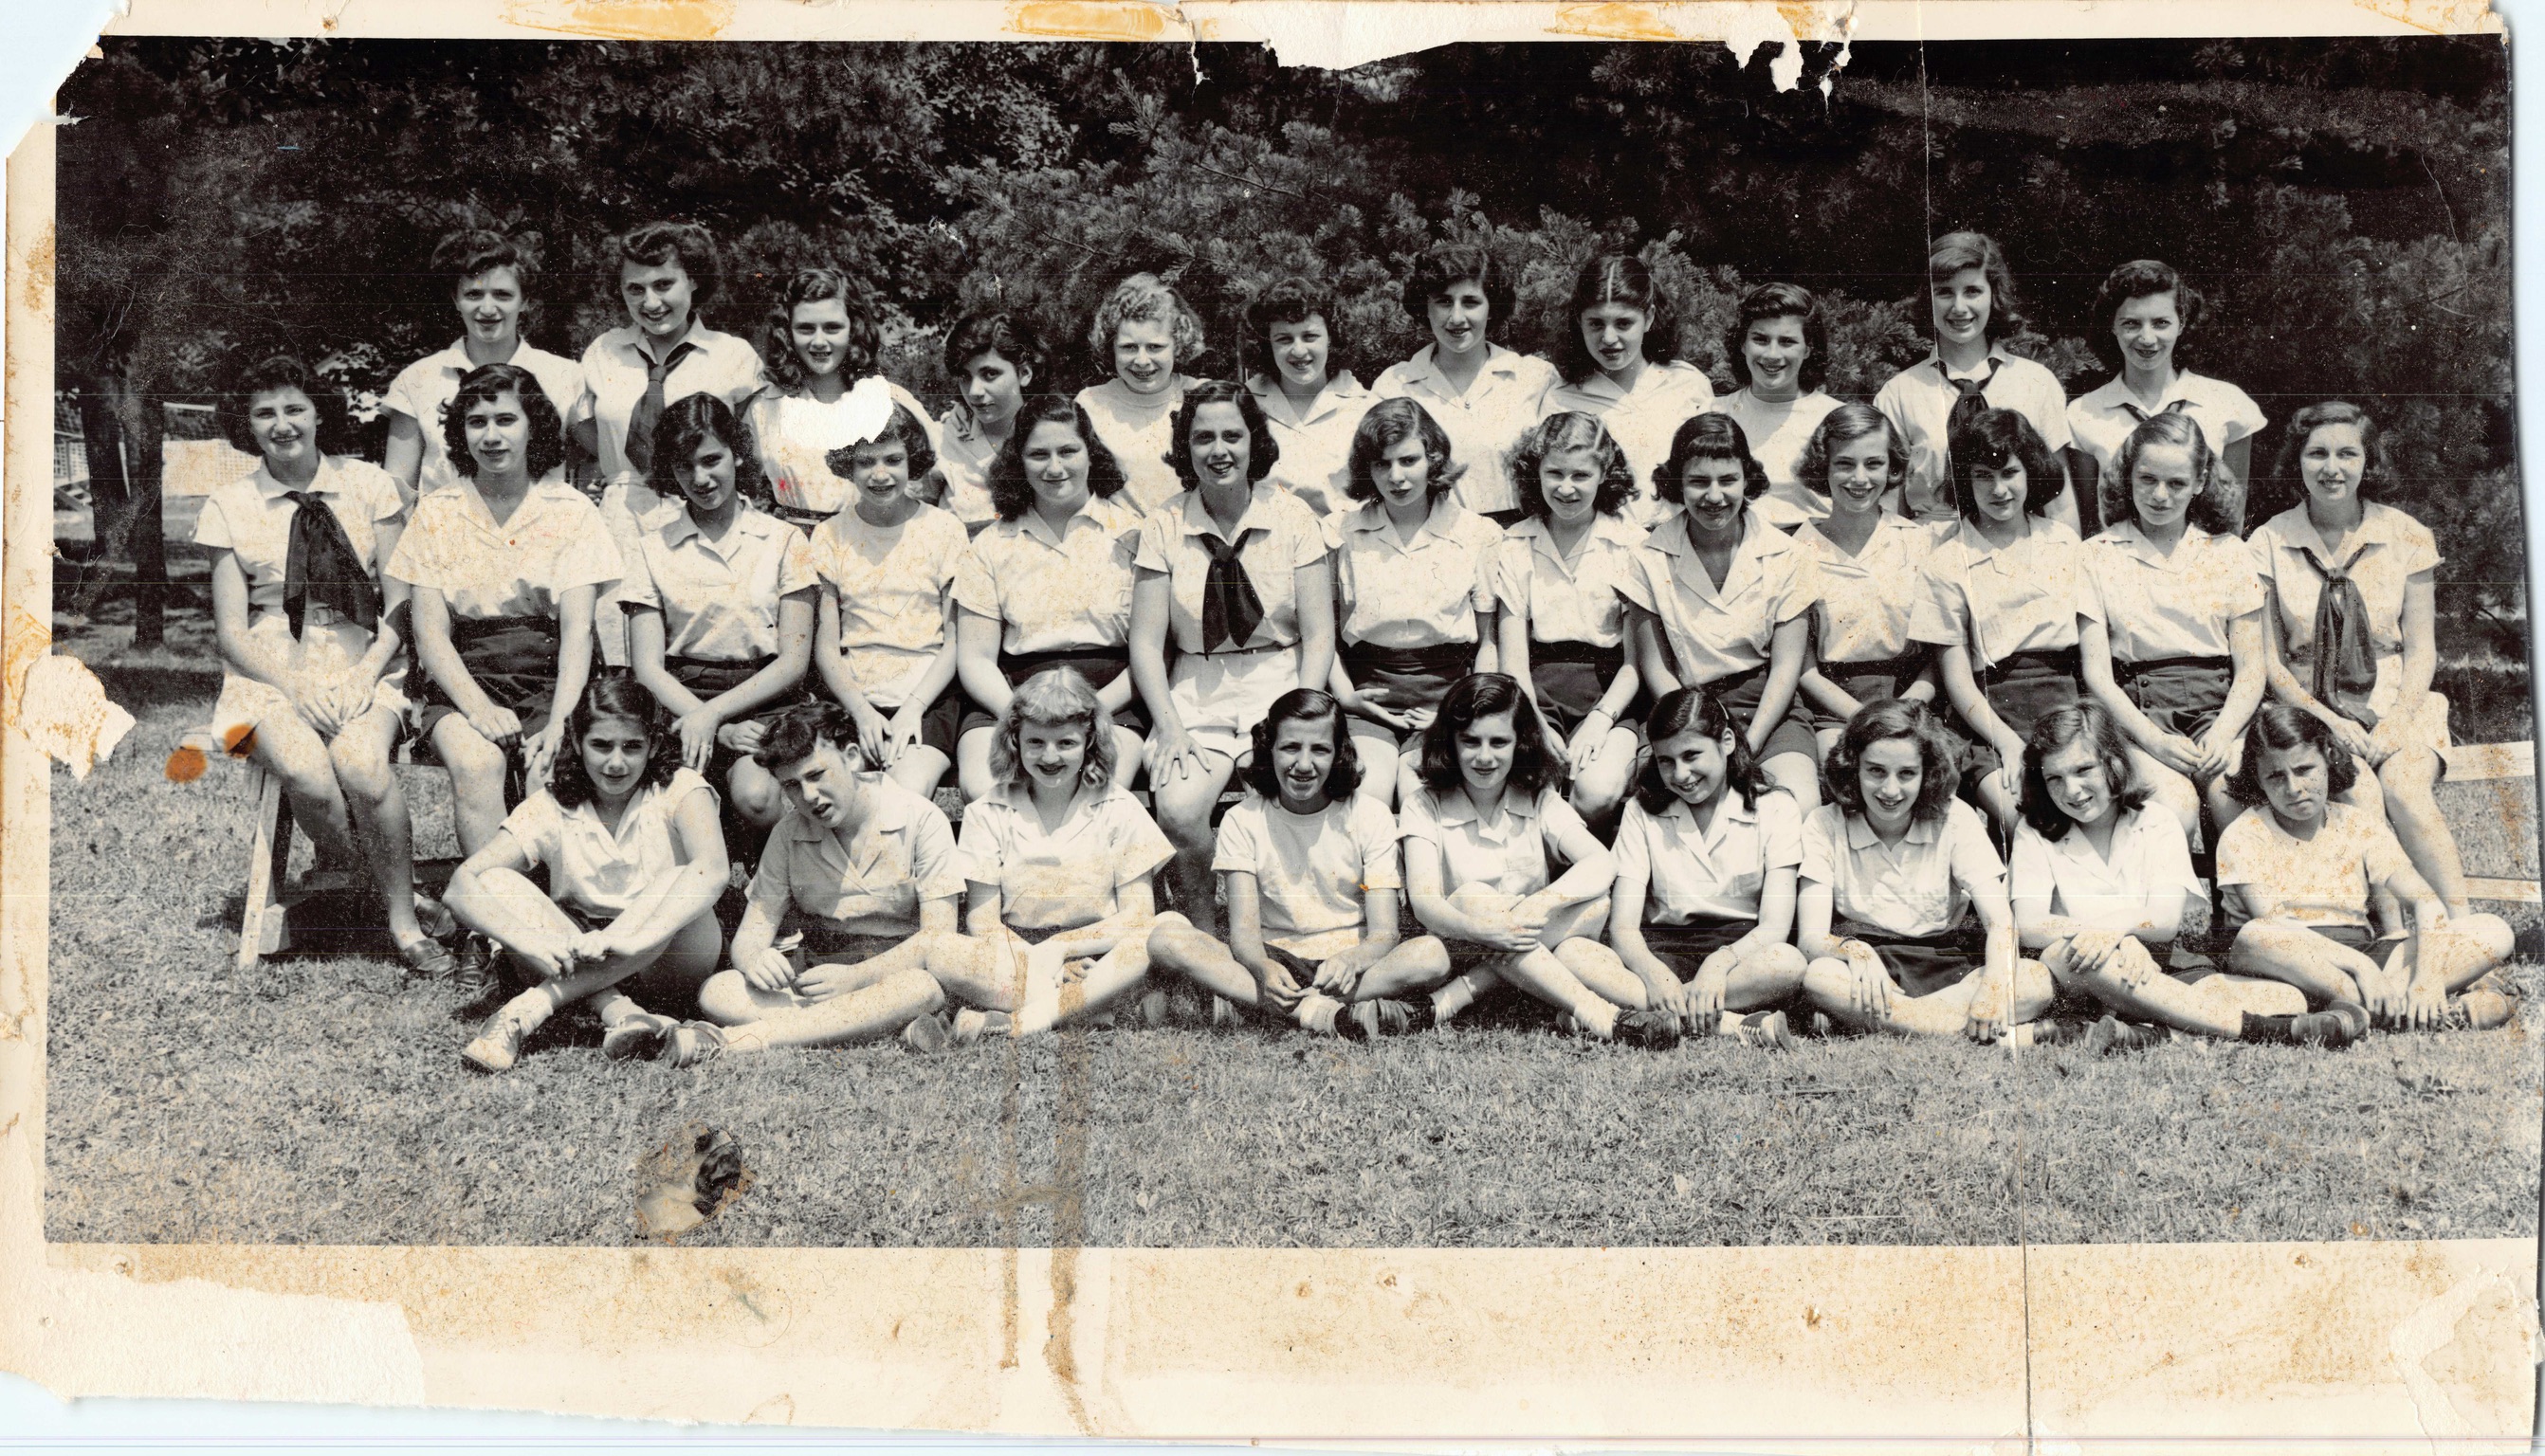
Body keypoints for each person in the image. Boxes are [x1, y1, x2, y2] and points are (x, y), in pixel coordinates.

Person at [200, 354, 443, 973]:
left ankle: (402, 923)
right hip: (267, 677)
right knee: (307, 774)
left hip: (366, 665)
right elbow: (231, 633)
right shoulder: (228, 503)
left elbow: (401, 604)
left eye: (294, 408)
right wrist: (295, 686)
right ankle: (402, 899)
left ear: (318, 414)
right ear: (247, 424)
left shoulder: (370, 486)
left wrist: (365, 675)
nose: (282, 424)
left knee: (362, 766)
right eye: (264, 413)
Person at [2009, 704, 2355, 1050]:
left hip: (2157, 964)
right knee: (2083, 957)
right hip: (2081, 967)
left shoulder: (2156, 820)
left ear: (2113, 762)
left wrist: (2115, 929)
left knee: (2287, 997)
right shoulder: (2035, 831)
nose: (2072, 790)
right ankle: (2263, 1030)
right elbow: (2029, 923)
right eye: (2055, 778)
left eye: (2084, 770)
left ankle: (2138, 1033)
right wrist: (2114, 940)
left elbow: (2164, 920)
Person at [2249, 402, 2474, 918]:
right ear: (2297, 460)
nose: (2332, 468)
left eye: (2348, 454)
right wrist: (2330, 722)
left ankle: (2462, 927)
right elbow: (2272, 663)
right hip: (2312, 710)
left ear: (2368, 460)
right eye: (2317, 454)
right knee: (2360, 791)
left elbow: (2422, 649)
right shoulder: (2268, 542)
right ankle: (2394, 933)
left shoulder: (2407, 534)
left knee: (2404, 789)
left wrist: (2396, 722)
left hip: (2398, 701)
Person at [442, 671, 729, 1072]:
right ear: (577, 743)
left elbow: (713, 872)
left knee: (679, 881)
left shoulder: (681, 788)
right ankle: (621, 1012)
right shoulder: (554, 803)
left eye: (632, 746)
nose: (616, 762)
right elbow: (460, 887)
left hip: (668, 958)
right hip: (577, 949)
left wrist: (628, 940)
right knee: (494, 879)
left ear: (654, 745)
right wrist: (528, 941)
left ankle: (527, 1010)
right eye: (601, 745)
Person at [389, 363, 620, 864]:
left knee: (549, 769)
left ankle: (551, 899)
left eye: (506, 420)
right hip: (464, 683)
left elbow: (578, 632)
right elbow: (430, 635)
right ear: (460, 432)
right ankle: (490, 900)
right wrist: (479, 710)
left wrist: (560, 722)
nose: (491, 436)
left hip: (551, 680)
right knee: (477, 764)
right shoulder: (438, 512)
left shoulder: (571, 510)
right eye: (477, 422)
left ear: (534, 426)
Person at [1128, 380, 1336, 922]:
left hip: (1280, 679)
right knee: (1179, 811)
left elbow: (1319, 633)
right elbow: (1146, 643)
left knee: (1286, 795)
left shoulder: (1293, 517)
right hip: (1196, 689)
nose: (1218, 451)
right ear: (1185, 445)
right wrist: (1170, 727)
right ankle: (1202, 926)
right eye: (1203, 438)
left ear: (1254, 441)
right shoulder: (1165, 524)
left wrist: (1303, 714)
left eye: (1232, 436)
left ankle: (1288, 925)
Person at [689, 702, 985, 1057]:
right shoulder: (787, 834)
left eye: (817, 775)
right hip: (820, 974)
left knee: (920, 988)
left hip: (897, 969)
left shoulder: (920, 818)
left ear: (852, 757)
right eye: (792, 786)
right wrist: (754, 959)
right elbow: (751, 936)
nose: (809, 796)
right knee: (718, 991)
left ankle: (749, 1039)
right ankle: (866, 1023)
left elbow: (938, 937)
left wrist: (856, 979)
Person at [1144, 690, 1441, 1037]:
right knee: (1166, 939)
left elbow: (1384, 932)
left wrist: (1353, 960)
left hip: (1349, 966)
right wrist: (1262, 967)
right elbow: (1244, 934)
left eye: (1320, 750)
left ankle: (1258, 1005)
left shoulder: (1370, 814)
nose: (1303, 764)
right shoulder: (1243, 819)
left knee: (1432, 955)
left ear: (1339, 752)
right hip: (1277, 957)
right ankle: (1324, 1012)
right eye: (1290, 747)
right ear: (1269, 748)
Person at [1395, 674, 1662, 1042]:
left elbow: (1601, 862)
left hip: (1528, 942)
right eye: (1470, 741)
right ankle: (1600, 1014)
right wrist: (1482, 930)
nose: (1484, 757)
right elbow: (1426, 904)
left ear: (1519, 742)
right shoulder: (1424, 804)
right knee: (1475, 896)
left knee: (1596, 904)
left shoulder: (1537, 796)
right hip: (1462, 943)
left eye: (1499, 742)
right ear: (1450, 742)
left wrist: (1538, 905)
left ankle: (1451, 999)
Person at [2215, 706, 2513, 1032]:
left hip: (2361, 948)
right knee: (2257, 935)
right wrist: (2361, 967)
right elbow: (2273, 926)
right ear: (2257, 778)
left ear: (2328, 760)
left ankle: (2361, 1009)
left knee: (2492, 930)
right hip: (2292, 960)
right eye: (2275, 776)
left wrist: (2427, 980)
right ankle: (2397, 1009)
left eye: (2304, 769)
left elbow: (2425, 902)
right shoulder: (2245, 834)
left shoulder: (2357, 824)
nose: (2293, 787)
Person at [1796, 699, 2059, 1042]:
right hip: (1872, 970)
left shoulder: (1955, 817)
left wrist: (1992, 989)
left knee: (2036, 979)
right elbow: (1810, 939)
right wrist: (1853, 950)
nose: (1890, 790)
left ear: (1928, 773)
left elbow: (2000, 922)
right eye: (1876, 771)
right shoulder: (1824, 823)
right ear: (1853, 767)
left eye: (1907, 774)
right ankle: (1971, 1030)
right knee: (1820, 976)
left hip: (1949, 961)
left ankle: (1894, 1023)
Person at [621, 394, 818, 837]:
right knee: (669, 807)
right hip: (680, 702)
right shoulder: (651, 548)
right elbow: (647, 667)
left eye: (712, 460)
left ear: (738, 454)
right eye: (684, 466)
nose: (700, 478)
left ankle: (775, 872)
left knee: (757, 795)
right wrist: (711, 722)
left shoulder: (784, 539)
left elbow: (793, 661)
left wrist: (716, 718)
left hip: (766, 699)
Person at [569, 221, 765, 665]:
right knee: (620, 647)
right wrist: (618, 470)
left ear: (693, 280)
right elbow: (583, 425)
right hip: (622, 518)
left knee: (698, 642)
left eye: (663, 285)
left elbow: (750, 444)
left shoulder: (733, 355)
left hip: (704, 509)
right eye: (634, 289)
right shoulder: (604, 351)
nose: (650, 302)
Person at [940, 668, 1177, 1036]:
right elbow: (982, 923)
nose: (1050, 756)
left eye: (1066, 743)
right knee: (942, 951)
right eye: (1035, 742)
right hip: (1019, 956)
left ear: (1089, 741)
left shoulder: (1119, 807)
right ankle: (1090, 1006)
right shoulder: (986, 812)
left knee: (1170, 926)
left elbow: (1137, 915)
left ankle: (1027, 1017)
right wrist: (1043, 961)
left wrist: (1063, 948)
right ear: (1014, 740)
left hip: (1101, 951)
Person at [1910, 409, 2108, 830]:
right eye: (1983, 476)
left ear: (2030, 471)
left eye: (2010, 473)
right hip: (1989, 719)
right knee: (2030, 821)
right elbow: (1958, 681)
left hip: (2066, 706)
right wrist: (2010, 745)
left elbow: (2093, 658)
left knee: (2096, 815)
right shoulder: (1946, 562)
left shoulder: (2063, 542)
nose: (1999, 490)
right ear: (1965, 480)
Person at [1620, 413, 1822, 815]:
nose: (1714, 496)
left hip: (1767, 708)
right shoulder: (1647, 557)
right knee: (1672, 809)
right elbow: (1656, 669)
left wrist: (1747, 744)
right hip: (1682, 707)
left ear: (1747, 479)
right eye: (1698, 482)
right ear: (1677, 483)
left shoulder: (1789, 554)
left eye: (1728, 480)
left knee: (1798, 805)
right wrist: (1696, 731)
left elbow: (1786, 668)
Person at [950, 395, 1148, 801]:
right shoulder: (991, 544)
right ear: (1018, 462)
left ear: (1091, 454)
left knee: (1101, 791)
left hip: (1111, 695)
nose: (1054, 468)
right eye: (1038, 454)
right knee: (986, 788)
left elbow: (1153, 650)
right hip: (1011, 697)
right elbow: (975, 658)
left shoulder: (1133, 535)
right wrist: (1023, 718)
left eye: (1068, 451)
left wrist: (1094, 711)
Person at [2078, 411, 2267, 837]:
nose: (2160, 496)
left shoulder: (2229, 552)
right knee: (2174, 809)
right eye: (2147, 479)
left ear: (2200, 481)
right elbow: (2096, 674)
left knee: (2236, 802)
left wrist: (2223, 734)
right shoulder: (2097, 554)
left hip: (2220, 714)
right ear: (2128, 476)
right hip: (2137, 719)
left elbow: (2252, 668)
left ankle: (2239, 886)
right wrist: (2154, 740)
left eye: (2177, 483)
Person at [1603, 687, 1812, 1047]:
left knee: (1788, 963)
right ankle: (1730, 1024)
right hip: (1663, 950)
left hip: (1739, 955)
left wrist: (1719, 964)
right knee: (1575, 954)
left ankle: (1646, 1014)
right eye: (1666, 761)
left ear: (1727, 742)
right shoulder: (1641, 811)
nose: (1681, 774)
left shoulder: (1776, 807)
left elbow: (1775, 926)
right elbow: (1623, 926)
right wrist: (1653, 974)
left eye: (1691, 755)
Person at [1326, 397, 1503, 808]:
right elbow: (1322, 635)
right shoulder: (1340, 532)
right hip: (1367, 698)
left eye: (1408, 461)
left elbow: (1488, 642)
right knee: (1367, 792)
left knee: (1422, 793)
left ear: (1433, 459)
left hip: (1450, 699)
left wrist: (1464, 709)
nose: (1396, 477)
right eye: (1381, 464)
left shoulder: (1477, 534)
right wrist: (1347, 696)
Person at [808, 402, 970, 797]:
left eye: (893, 460)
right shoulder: (829, 535)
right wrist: (861, 712)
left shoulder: (944, 529)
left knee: (905, 791)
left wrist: (913, 708)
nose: (880, 474)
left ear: (912, 461)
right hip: (854, 699)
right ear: (848, 465)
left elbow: (956, 641)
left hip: (927, 698)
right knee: (835, 788)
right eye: (866, 462)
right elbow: (826, 648)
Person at [1492, 412, 1645, 825]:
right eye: (1554, 473)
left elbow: (1635, 663)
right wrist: (1535, 724)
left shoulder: (1631, 545)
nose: (1566, 487)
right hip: (1537, 694)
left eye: (1581, 474)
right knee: (1528, 786)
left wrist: (1600, 720)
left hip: (1612, 694)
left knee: (1595, 793)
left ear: (1604, 474)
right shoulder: (1515, 544)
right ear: (1536, 473)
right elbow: (1513, 661)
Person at [1873, 230, 2079, 531]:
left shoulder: (2037, 382)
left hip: (2021, 543)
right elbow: (1890, 509)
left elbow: (2060, 502)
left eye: (1972, 291)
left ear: (1994, 294)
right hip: (1931, 545)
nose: (1959, 307)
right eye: (1944, 292)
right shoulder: (1899, 393)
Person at [380, 229, 585, 507]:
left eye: (502, 295)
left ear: (524, 300)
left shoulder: (565, 375)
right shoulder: (418, 378)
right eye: (474, 294)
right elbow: (397, 490)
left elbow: (596, 460)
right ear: (456, 299)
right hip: (445, 530)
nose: (488, 309)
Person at [2066, 260, 2267, 532]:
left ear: (2181, 323)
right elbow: (2090, 522)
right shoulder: (2084, 413)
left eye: (2161, 323)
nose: (2147, 338)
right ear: (2113, 325)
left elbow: (2233, 515)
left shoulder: (2229, 403)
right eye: (2131, 323)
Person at [1787, 405, 1939, 760]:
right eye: (1844, 463)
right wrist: (1866, 717)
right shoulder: (1796, 550)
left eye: (1873, 464)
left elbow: (1939, 655)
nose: (1860, 478)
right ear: (1823, 467)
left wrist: (1907, 708)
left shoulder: (1920, 543)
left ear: (1892, 466)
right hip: (1833, 708)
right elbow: (1804, 669)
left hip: (1913, 702)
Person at [1371, 240, 1559, 522]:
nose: (1456, 318)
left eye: (1470, 302)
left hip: (1522, 536)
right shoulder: (1395, 386)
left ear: (1491, 308)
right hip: (1434, 536)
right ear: (1425, 307)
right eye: (1444, 302)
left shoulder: (1534, 377)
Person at [750, 265, 939, 530]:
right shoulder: (765, 408)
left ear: (853, 330)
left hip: (871, 541)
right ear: (788, 333)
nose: (818, 341)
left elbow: (936, 478)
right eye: (805, 329)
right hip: (795, 544)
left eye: (832, 328)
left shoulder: (889, 400)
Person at [1539, 253, 1714, 528]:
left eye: (1623, 323)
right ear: (1579, 321)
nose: (1609, 338)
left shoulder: (1688, 385)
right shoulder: (1561, 399)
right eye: (1596, 323)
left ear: (1649, 318)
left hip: (1679, 539)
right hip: (1601, 543)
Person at [1713, 282, 1842, 532]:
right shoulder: (1715, 413)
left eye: (1787, 342)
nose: (1772, 354)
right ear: (1743, 344)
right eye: (1760, 340)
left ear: (1808, 348)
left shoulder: (1834, 419)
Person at [1074, 272, 1204, 515]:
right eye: (1129, 347)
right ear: (1111, 347)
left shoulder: (1201, 395)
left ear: (1177, 345)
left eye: (1155, 347)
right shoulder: (1091, 403)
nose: (1142, 360)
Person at [1242, 276, 1373, 517]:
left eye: (1310, 336)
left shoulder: (1365, 407)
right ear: (1267, 344)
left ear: (1331, 337)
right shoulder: (1243, 405)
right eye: (1284, 339)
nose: (1299, 350)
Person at [935, 309, 1046, 532]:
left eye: (990, 374)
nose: (974, 391)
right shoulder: (947, 434)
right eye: (965, 377)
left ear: (1024, 373)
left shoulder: (1053, 434)